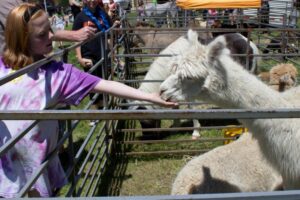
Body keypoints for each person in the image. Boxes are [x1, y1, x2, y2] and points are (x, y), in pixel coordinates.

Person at [0, 3, 176, 198]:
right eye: (42, 35)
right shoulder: (2, 69)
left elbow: (102, 84)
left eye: (50, 30)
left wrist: (148, 96)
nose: (51, 36)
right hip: (6, 163)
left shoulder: (56, 74)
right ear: (22, 39)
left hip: (38, 166)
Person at [0, 0, 96, 56]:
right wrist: (74, 35)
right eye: (43, 34)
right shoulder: (8, 2)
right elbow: (31, 26)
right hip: (15, 71)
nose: (49, 36)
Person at [72, 0, 117, 120]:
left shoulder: (102, 13)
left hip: (103, 52)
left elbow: (109, 31)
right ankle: (94, 112)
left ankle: (104, 107)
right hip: (88, 55)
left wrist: (112, 52)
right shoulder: (80, 17)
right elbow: (76, 38)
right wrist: (80, 58)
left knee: (104, 79)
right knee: (91, 84)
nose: (92, 1)